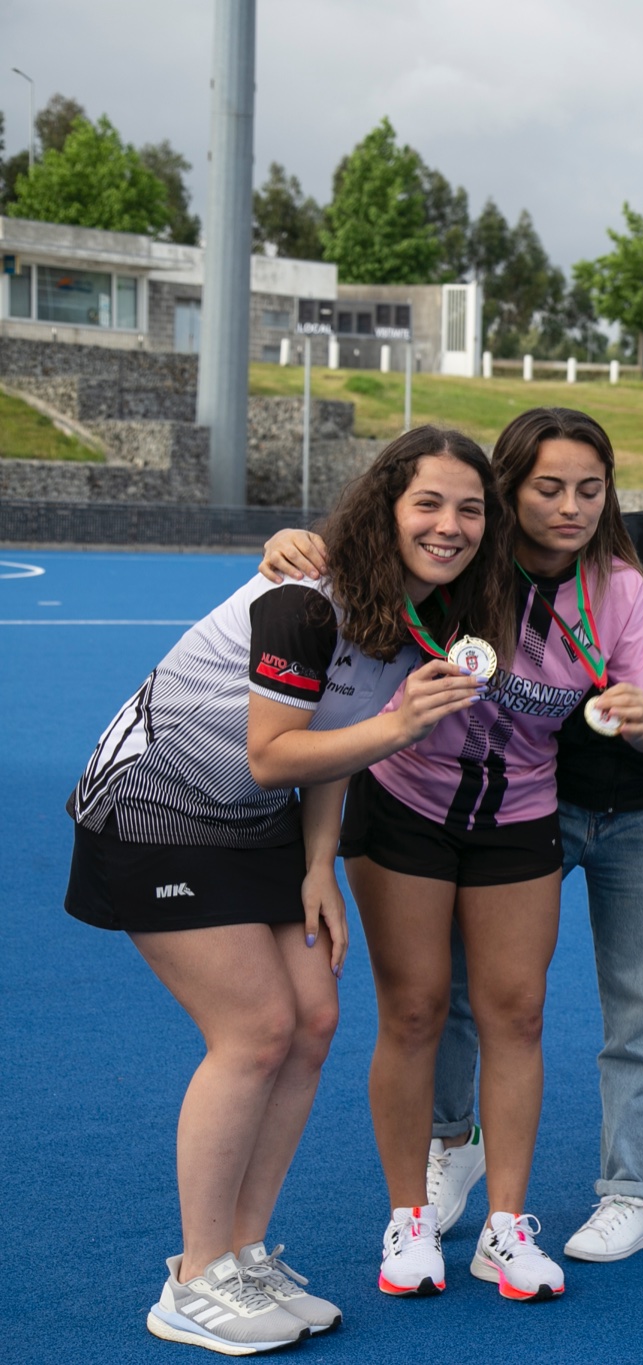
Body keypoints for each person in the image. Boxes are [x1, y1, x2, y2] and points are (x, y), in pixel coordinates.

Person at [68, 429, 511, 1353]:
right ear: (386, 505)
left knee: (311, 1020)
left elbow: (327, 749)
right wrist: (399, 728)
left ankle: (243, 1253)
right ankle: (192, 1279)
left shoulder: (416, 615)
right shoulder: (308, 605)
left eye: (470, 508)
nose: (450, 524)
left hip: (256, 823)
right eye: (428, 502)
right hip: (154, 806)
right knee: (256, 1028)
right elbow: (276, 752)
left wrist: (320, 867)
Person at [341, 409, 643, 1301]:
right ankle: (410, 1219)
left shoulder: (618, 590)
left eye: (590, 490)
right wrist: (292, 542)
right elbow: (360, 561)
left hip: (522, 812)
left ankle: (504, 1228)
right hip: (406, 803)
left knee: (516, 1014)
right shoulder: (458, 560)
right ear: (509, 491)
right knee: (413, 1010)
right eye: (547, 487)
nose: (570, 507)